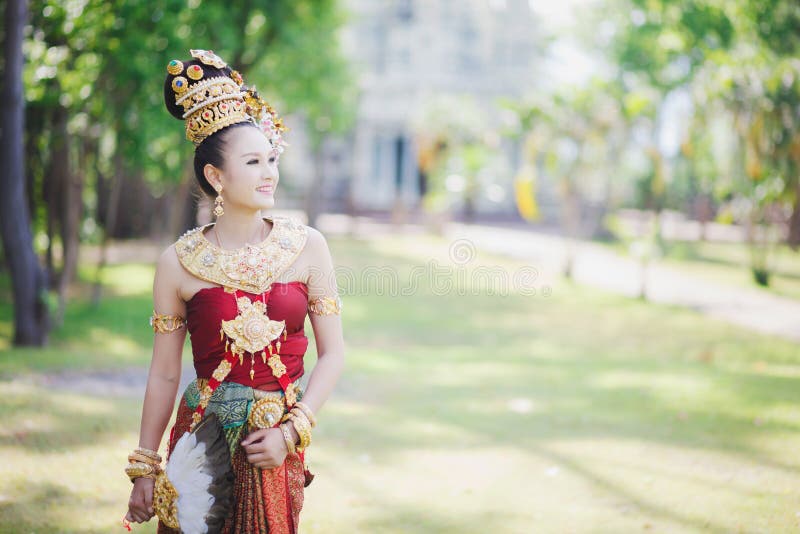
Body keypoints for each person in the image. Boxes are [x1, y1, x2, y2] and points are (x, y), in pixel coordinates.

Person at [123, 49, 345, 533]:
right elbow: (164, 375)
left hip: (273, 447)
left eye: (271, 158)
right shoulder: (177, 264)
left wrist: (292, 432)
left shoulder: (309, 247)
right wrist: (145, 465)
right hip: (201, 445)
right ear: (216, 177)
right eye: (253, 161)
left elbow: (333, 354)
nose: (270, 172)